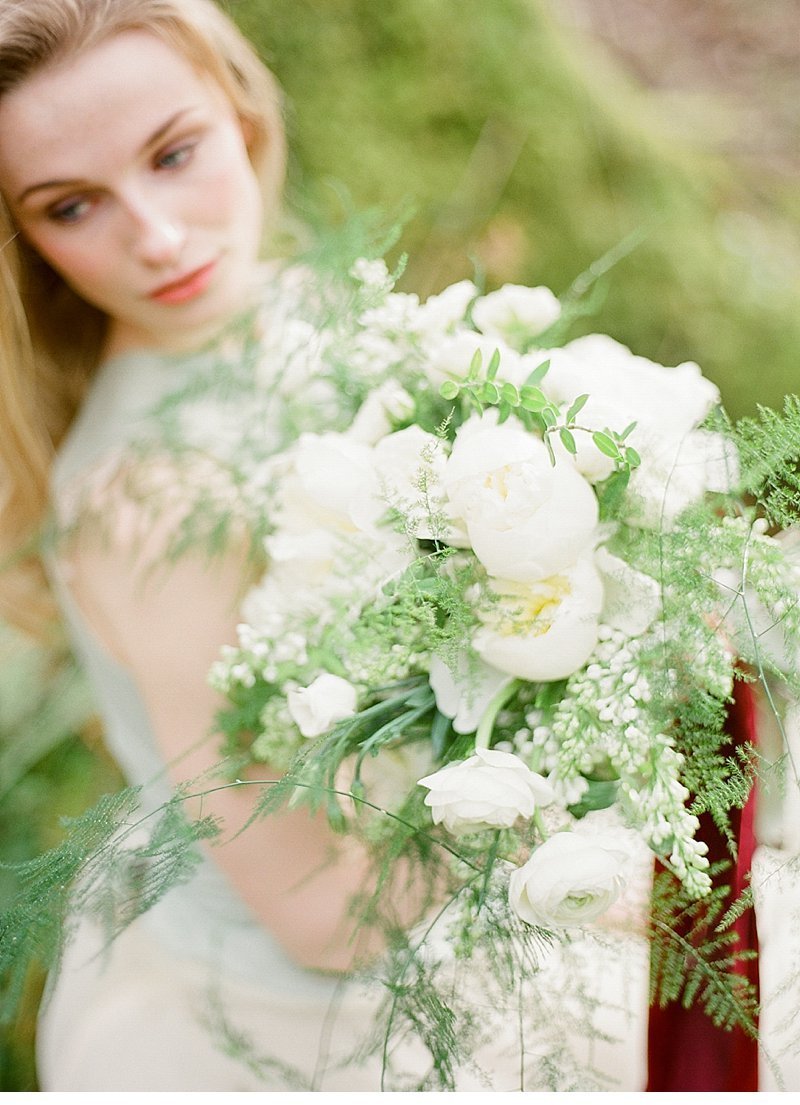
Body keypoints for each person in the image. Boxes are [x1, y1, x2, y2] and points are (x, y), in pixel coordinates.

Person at [2, 0, 792, 1093]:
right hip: (334, 1008)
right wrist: (555, 836)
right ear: (23, 234)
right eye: (73, 205)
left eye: (174, 154)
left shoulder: (322, 309)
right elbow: (323, 919)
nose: (158, 236)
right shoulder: (149, 506)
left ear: (242, 114)